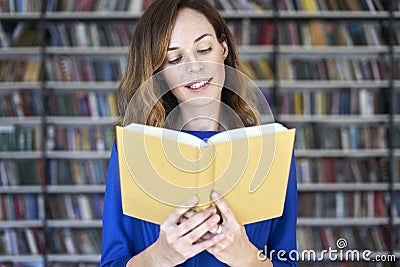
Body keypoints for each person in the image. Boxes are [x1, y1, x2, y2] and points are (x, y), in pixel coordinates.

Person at [100, 0, 298, 266]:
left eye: (204, 49)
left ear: (223, 49)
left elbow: (287, 259)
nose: (193, 66)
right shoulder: (132, 149)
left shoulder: (272, 149)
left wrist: (248, 259)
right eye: (175, 58)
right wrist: (159, 257)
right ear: (159, 73)